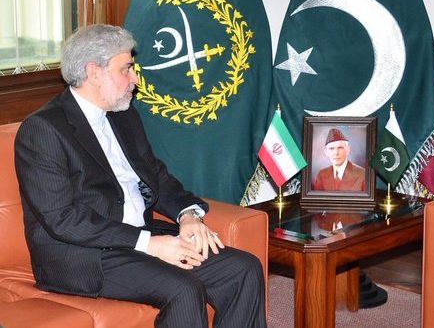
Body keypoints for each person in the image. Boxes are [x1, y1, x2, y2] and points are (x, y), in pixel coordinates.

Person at [14, 25, 266, 328]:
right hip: (85, 255)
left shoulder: (124, 115)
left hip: (138, 235)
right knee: (183, 289)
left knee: (243, 269)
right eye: (126, 69)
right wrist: (150, 244)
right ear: (94, 72)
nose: (135, 79)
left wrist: (187, 215)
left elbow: (155, 175)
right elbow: (62, 219)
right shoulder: (44, 129)